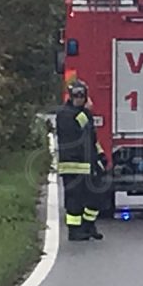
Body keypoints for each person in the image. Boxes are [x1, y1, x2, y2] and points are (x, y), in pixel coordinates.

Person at [56, 80, 106, 242]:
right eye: (76, 95)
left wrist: (101, 155)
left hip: (87, 164)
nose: (79, 98)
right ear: (70, 97)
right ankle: (74, 231)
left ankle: (88, 225)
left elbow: (92, 138)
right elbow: (81, 124)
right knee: (74, 199)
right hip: (72, 164)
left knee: (97, 196)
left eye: (82, 95)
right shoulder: (66, 114)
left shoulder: (83, 113)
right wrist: (87, 111)